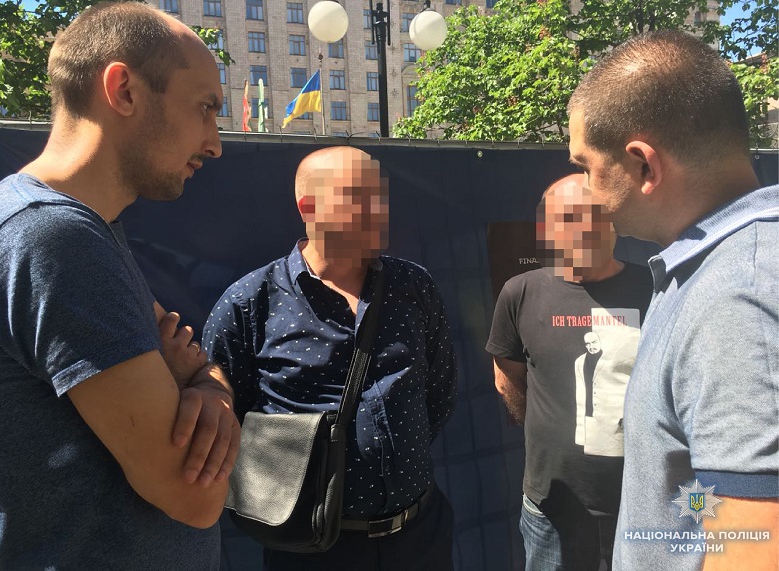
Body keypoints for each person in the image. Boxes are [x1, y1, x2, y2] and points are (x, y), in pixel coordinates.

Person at [0, 3, 240, 568]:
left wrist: (210, 390)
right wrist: (199, 386)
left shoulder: (72, 226)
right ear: (124, 90)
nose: (215, 143)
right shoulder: (57, 238)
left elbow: (193, 364)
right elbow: (196, 497)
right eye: (205, 108)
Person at [567, 29, 778, 570]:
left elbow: (754, 550)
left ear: (644, 166)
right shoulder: (722, 266)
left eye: (585, 167)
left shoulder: (734, 298)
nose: (585, 190)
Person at [203, 146, 458, 571]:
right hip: (310, 552)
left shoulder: (413, 286)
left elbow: (439, 395)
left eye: (381, 196)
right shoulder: (249, 303)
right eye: (358, 197)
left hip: (420, 537)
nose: (378, 210)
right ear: (309, 207)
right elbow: (225, 421)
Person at [486, 174, 653, 570]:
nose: (582, 228)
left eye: (594, 214)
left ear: (614, 219)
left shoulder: (656, 287)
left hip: (645, 504)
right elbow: (507, 378)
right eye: (567, 218)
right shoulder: (520, 293)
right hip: (551, 509)